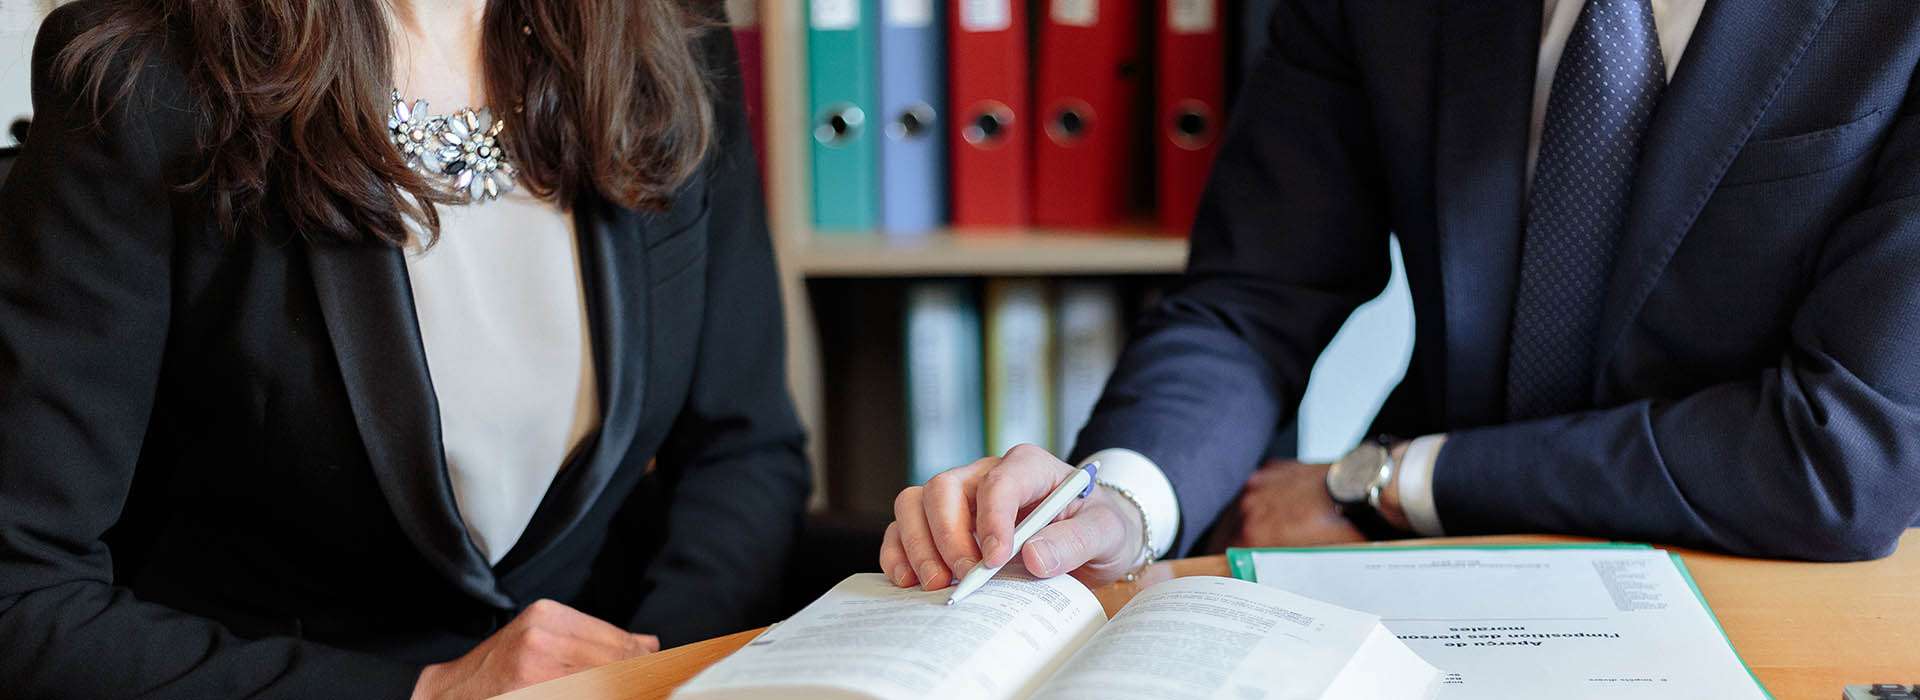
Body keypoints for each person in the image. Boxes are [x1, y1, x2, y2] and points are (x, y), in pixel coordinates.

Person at [883, 0, 1920, 594]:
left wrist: (1392, 476)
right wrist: (1117, 497)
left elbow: (1844, 455)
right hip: (1417, 579)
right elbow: (1251, 297)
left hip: (1765, 575)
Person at [0, 0, 808, 697]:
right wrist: (424, 693)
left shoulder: (669, 39)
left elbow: (744, 451)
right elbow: (22, 588)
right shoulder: (144, 80)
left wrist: (656, 676)